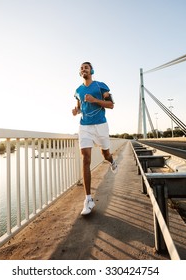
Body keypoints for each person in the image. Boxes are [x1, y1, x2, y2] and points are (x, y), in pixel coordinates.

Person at [72, 62, 118, 215]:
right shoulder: (78, 90)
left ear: (91, 70)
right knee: (85, 158)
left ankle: (112, 161)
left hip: (100, 125)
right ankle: (88, 199)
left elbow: (111, 105)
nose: (83, 69)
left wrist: (95, 100)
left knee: (105, 154)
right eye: (81, 68)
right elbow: (79, 106)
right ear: (80, 73)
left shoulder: (100, 86)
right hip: (85, 127)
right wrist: (76, 110)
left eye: (86, 67)